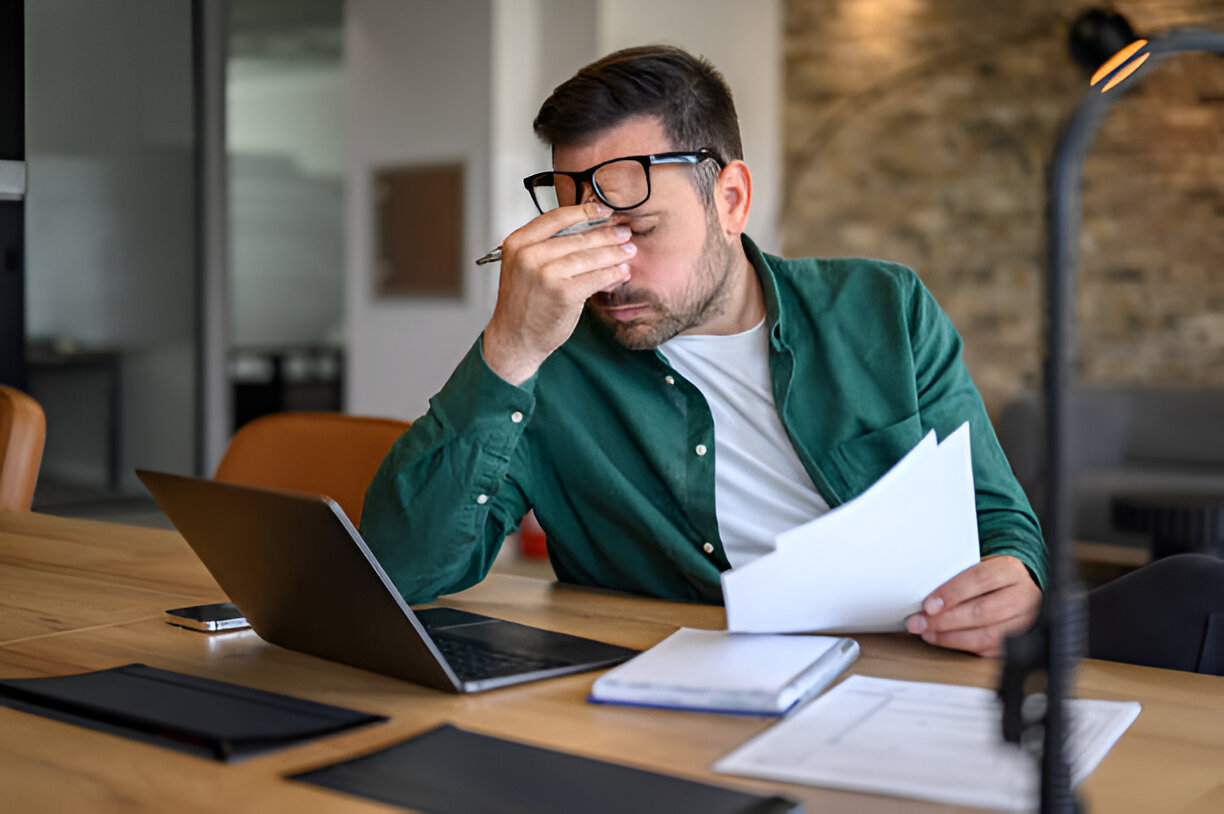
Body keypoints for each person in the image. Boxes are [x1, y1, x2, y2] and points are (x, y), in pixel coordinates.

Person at [362, 44, 1046, 658]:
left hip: (900, 672)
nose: (611, 271)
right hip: (657, 699)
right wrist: (507, 351)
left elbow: (994, 518)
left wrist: (1015, 577)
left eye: (638, 229)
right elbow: (403, 571)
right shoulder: (549, 361)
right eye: (582, 237)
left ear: (732, 200)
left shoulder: (882, 308)